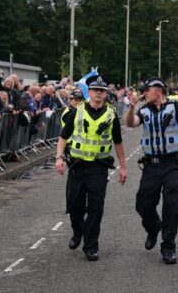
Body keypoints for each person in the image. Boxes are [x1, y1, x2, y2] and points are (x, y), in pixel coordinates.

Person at [124, 77, 178, 265]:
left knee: (172, 206)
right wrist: (131, 107)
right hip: (152, 166)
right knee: (143, 204)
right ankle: (153, 227)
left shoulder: (175, 107)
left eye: (146, 90)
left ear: (158, 90)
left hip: (173, 164)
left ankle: (168, 247)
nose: (144, 93)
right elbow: (130, 123)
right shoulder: (144, 110)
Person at [55, 75, 127, 262]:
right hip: (77, 167)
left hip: (98, 168)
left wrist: (123, 167)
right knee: (74, 205)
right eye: (95, 90)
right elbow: (63, 137)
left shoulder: (111, 116)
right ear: (90, 92)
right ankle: (78, 231)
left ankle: (91, 245)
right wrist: (59, 157)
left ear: (105, 94)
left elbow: (118, 143)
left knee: (96, 208)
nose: (98, 94)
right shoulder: (76, 112)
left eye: (102, 91)